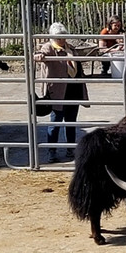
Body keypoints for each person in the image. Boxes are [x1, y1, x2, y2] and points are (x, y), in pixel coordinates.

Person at [35, 22, 89, 163]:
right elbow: (41, 53)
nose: (62, 39)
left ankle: (70, 148)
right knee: (55, 122)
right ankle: (51, 150)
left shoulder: (70, 48)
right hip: (58, 91)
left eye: (63, 36)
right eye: (59, 37)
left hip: (73, 88)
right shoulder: (49, 47)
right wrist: (39, 55)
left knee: (71, 122)